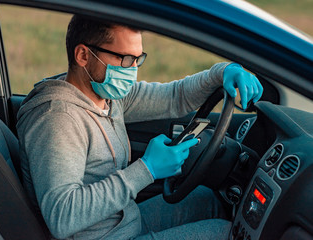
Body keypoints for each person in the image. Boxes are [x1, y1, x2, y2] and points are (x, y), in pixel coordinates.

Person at [16, 15, 263, 240]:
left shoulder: (107, 94)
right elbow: (62, 216)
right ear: (83, 56)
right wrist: (147, 169)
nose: (132, 70)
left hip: (121, 220)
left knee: (207, 199)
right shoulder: (57, 119)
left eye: (138, 59)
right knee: (224, 234)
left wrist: (222, 72)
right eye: (124, 59)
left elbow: (175, 97)